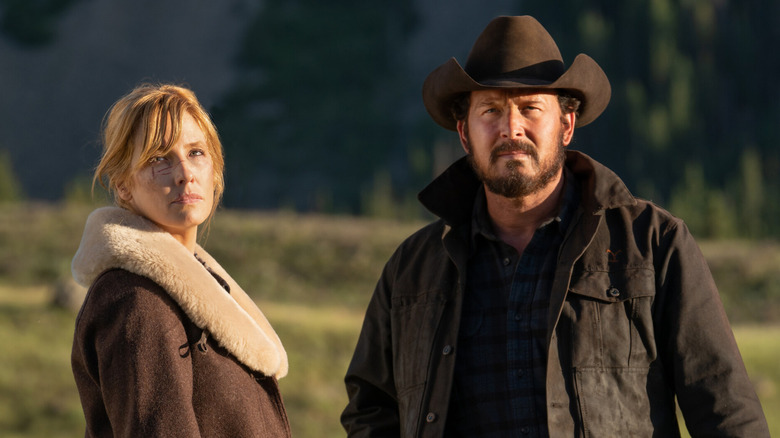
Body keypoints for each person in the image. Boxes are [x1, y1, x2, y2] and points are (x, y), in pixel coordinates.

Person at [341, 15, 769, 437]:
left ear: (565, 125)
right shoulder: (411, 270)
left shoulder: (653, 244)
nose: (511, 129)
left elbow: (725, 409)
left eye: (530, 109)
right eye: (490, 110)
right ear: (465, 134)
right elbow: (371, 411)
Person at [71, 83, 291, 437]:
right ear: (124, 185)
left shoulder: (196, 287)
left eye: (196, 153)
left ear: (215, 171)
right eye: (159, 158)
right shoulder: (137, 302)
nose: (184, 172)